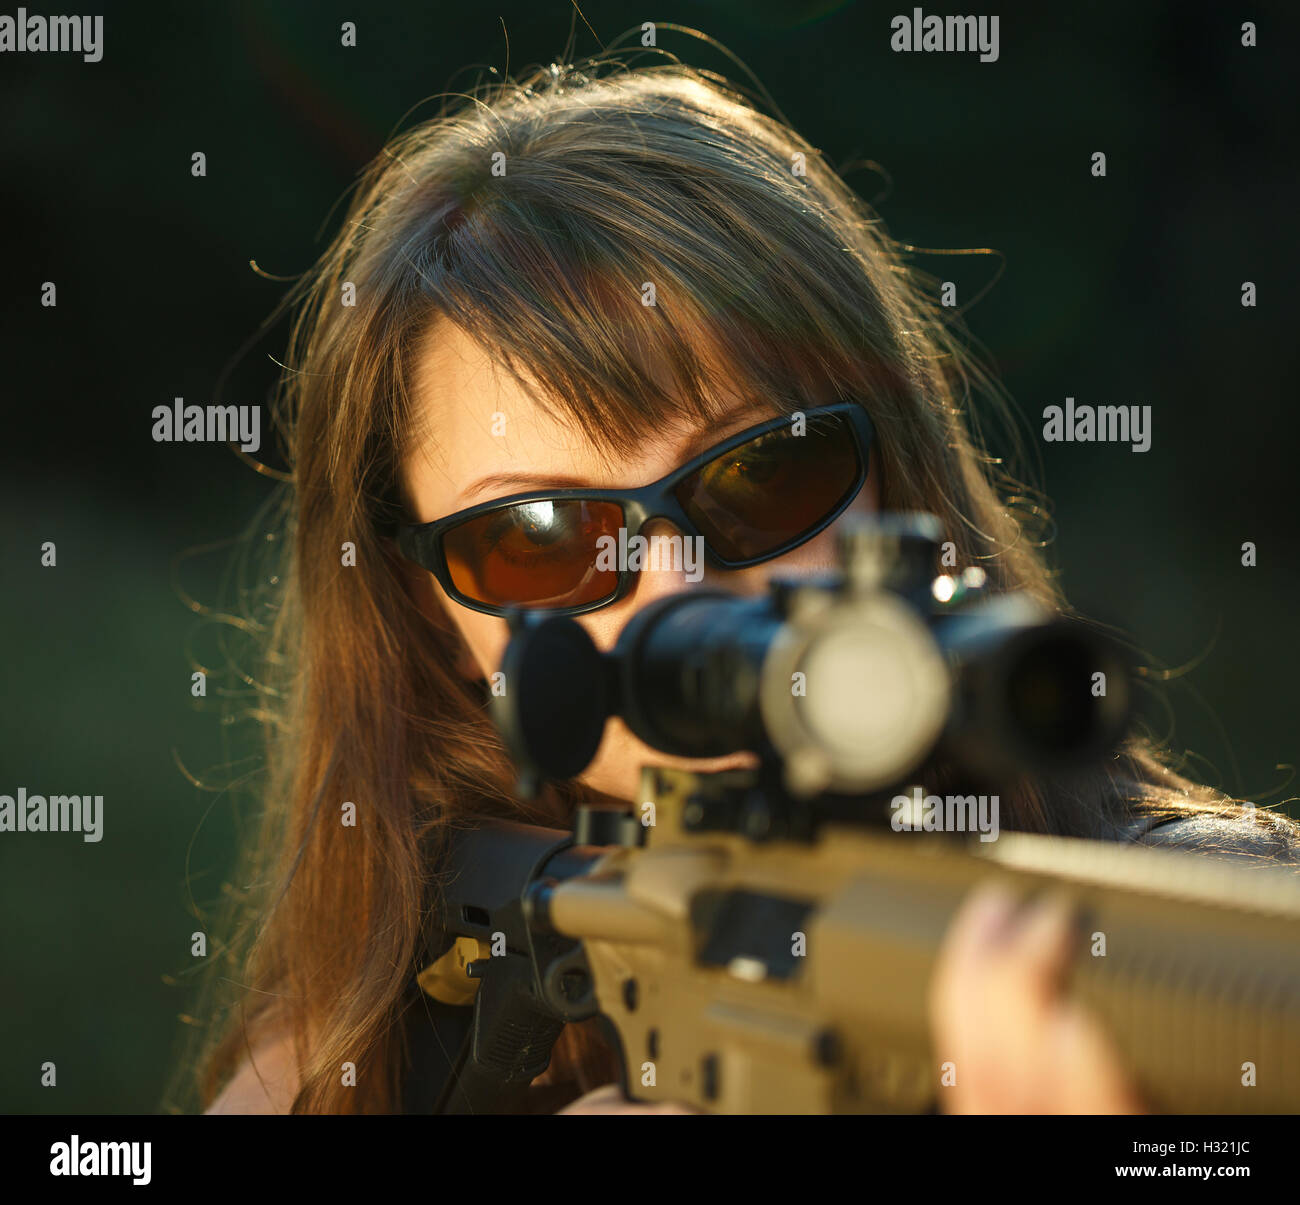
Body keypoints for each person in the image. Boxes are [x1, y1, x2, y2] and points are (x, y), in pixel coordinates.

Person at [184, 54, 1299, 1116]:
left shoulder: (1208, 930)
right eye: (541, 538)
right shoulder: (370, 1031)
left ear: (893, 485)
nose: (675, 589)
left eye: (759, 475)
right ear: (428, 618)